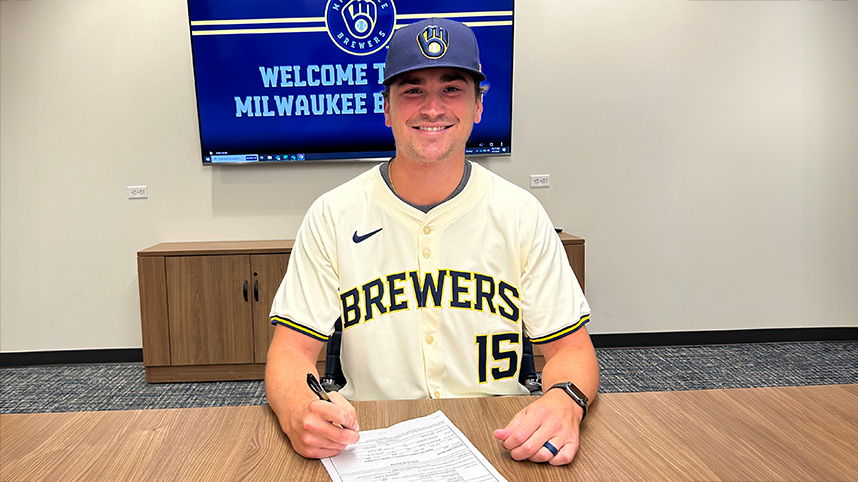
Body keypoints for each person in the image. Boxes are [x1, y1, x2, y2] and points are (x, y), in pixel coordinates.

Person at [265, 18, 599, 466]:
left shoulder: (519, 213)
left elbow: (571, 349)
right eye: (413, 90)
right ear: (386, 109)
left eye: (452, 88)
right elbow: (290, 350)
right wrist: (296, 408)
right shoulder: (334, 213)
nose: (432, 108)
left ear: (479, 106)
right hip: (368, 437)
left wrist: (564, 401)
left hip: (500, 431)